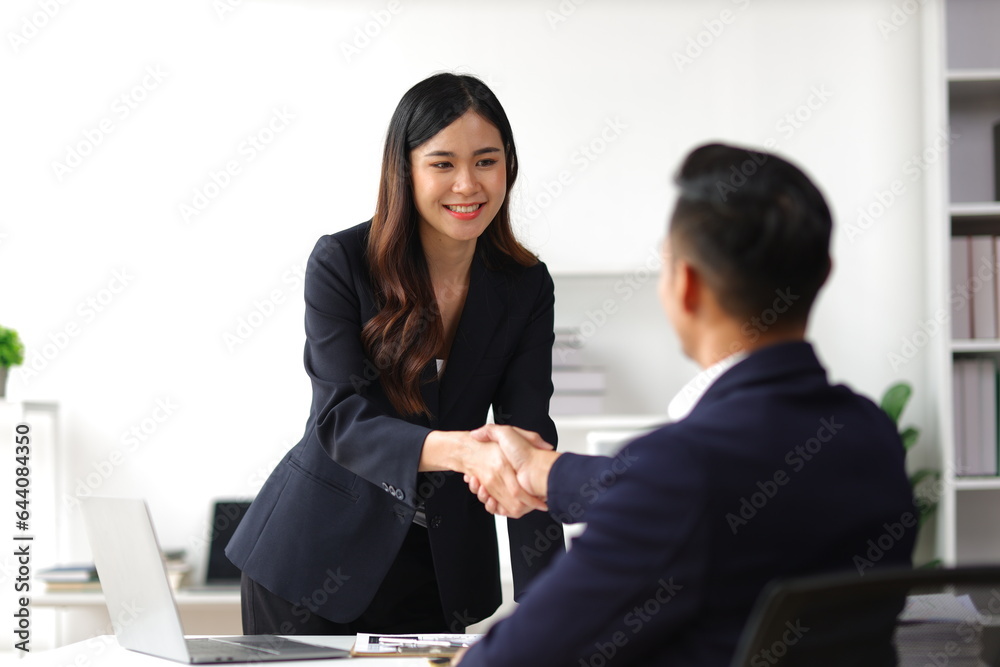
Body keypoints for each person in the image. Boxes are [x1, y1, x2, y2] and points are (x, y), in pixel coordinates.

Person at [456, 143, 917, 666]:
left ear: (688, 284)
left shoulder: (683, 470)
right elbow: (698, 502)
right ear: (822, 273)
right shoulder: (871, 434)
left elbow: (507, 661)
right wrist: (548, 473)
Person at [225, 72, 564, 636]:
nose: (467, 184)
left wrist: (551, 598)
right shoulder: (342, 262)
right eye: (441, 163)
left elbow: (528, 433)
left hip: (440, 573)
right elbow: (340, 422)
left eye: (486, 161)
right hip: (311, 564)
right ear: (404, 170)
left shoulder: (525, 284)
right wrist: (463, 452)